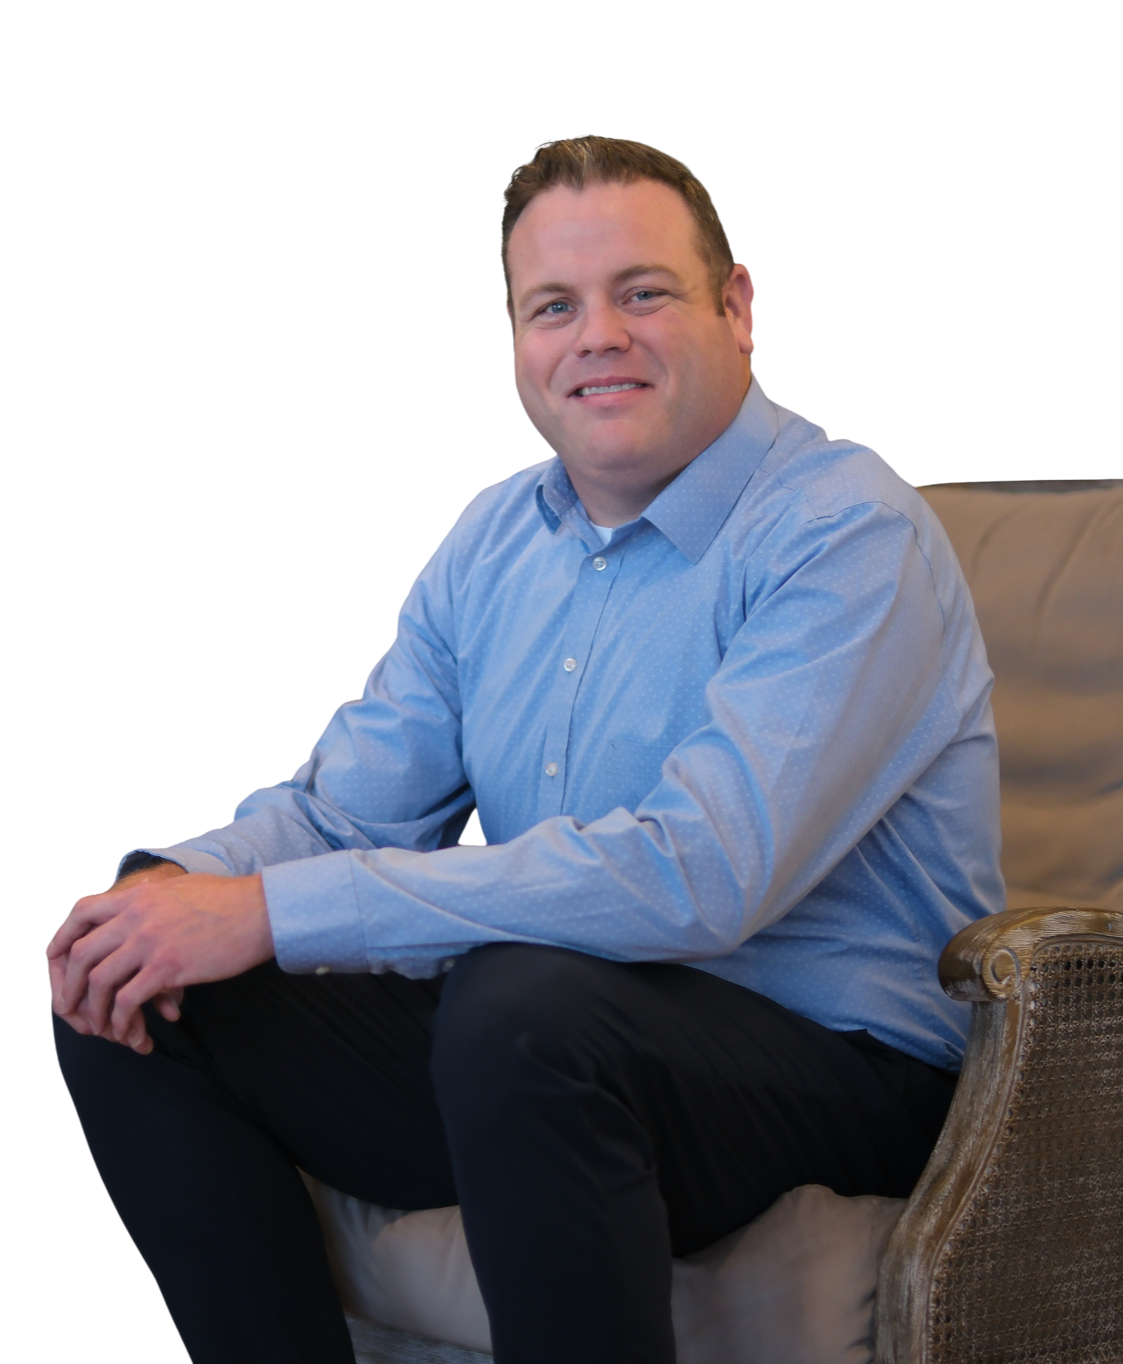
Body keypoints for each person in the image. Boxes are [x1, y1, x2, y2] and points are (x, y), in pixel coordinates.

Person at [47, 135, 1004, 1364]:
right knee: (123, 984)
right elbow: (343, 811)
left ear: (736, 308)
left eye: (641, 291)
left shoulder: (845, 530)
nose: (596, 335)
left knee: (522, 998)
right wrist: (177, 886)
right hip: (541, 1064)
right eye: (554, 306)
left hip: (843, 1067)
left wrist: (275, 910)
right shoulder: (491, 540)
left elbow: (702, 875)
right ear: (516, 339)